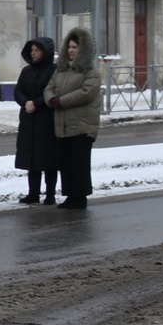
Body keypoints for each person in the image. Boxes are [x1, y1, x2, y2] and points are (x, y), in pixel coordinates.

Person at [46, 27, 102, 210]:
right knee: (66, 163)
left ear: (83, 49)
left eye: (75, 47)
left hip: (82, 126)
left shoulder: (91, 72)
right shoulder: (61, 70)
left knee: (79, 163)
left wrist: (61, 101)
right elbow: (49, 88)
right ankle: (70, 196)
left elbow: (86, 92)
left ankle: (80, 197)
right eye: (69, 47)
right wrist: (50, 99)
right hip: (63, 125)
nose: (71, 50)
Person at [13, 37, 61, 205]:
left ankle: (50, 194)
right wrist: (25, 102)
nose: (33, 53)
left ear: (45, 52)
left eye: (37, 50)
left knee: (49, 159)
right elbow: (18, 90)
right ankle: (33, 193)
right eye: (32, 50)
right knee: (31, 158)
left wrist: (37, 103)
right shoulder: (27, 71)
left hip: (46, 119)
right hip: (28, 119)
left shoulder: (54, 70)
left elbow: (54, 91)